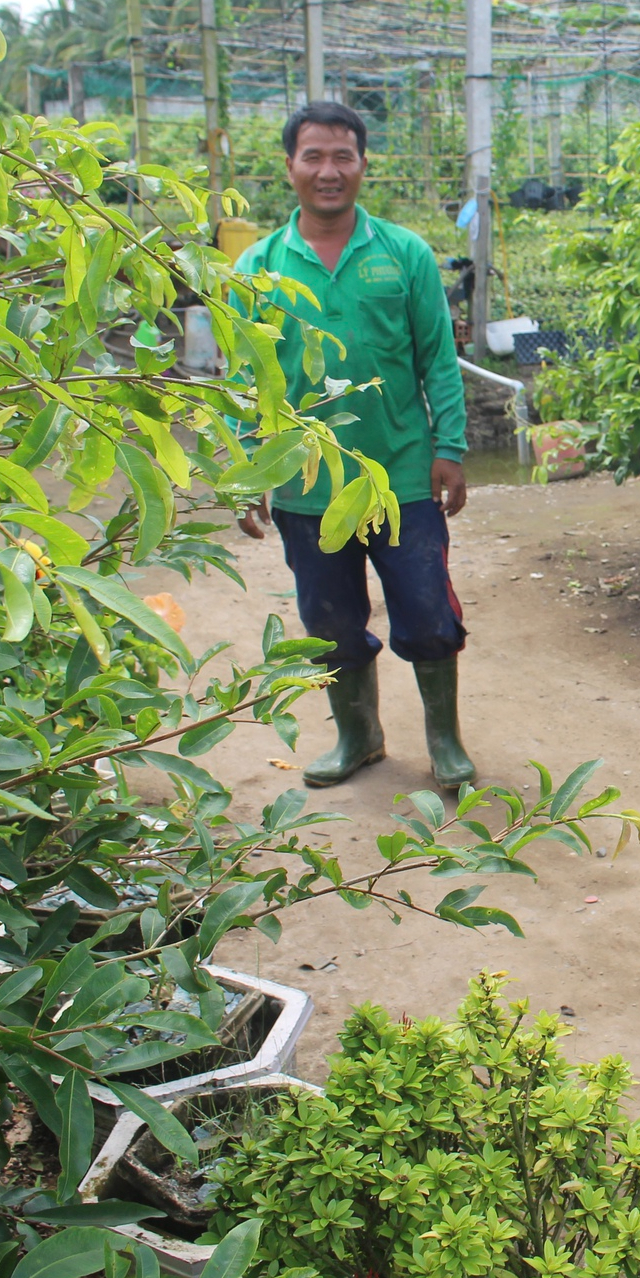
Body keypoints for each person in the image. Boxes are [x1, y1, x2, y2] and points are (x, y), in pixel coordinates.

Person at [232, 101, 476, 790]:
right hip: (306, 483)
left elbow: (438, 359)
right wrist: (249, 467)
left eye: (343, 156)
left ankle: (444, 741)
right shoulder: (259, 267)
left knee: (428, 614)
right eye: (314, 156)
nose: (329, 171)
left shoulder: (404, 255)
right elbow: (242, 377)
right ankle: (358, 736)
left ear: (363, 165)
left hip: (399, 476)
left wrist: (449, 447)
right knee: (330, 623)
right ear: (290, 167)